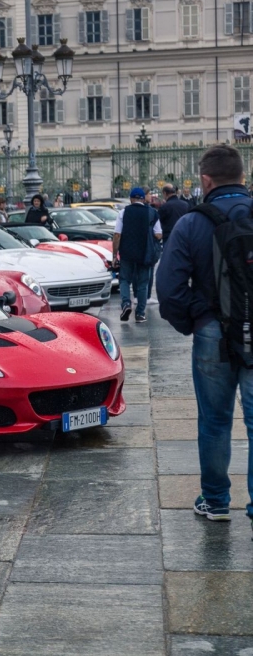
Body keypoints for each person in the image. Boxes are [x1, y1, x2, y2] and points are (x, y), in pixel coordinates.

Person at [157, 144, 253, 527]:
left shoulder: (192, 223)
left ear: (206, 180)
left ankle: (215, 501)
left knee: (215, 421)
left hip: (213, 331)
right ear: (243, 177)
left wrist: (195, 321)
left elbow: (168, 289)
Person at [113, 187, 161, 323]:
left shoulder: (123, 212)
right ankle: (140, 314)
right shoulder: (152, 213)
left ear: (131, 199)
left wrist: (114, 255)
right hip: (145, 253)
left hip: (127, 252)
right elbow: (159, 234)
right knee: (143, 283)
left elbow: (117, 235)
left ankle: (126, 304)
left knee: (124, 280)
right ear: (142, 199)